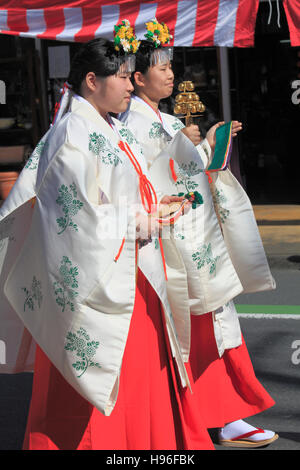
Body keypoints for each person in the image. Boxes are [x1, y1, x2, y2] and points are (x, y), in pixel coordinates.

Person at [0, 32, 226, 450]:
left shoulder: (105, 125)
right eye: (121, 78)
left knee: (139, 377)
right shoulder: (72, 134)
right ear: (91, 80)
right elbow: (77, 217)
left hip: (129, 265)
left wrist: (157, 204)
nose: (129, 85)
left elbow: (125, 190)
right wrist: (143, 221)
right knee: (106, 382)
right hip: (103, 277)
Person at [119, 19, 278, 448]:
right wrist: (190, 148)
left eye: (172, 66)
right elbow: (152, 180)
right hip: (173, 241)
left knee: (213, 327)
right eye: (162, 68)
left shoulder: (161, 120)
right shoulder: (137, 124)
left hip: (189, 235)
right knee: (201, 332)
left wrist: (208, 145)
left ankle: (225, 413)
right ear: (137, 77)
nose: (171, 74)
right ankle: (222, 416)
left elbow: (183, 170)